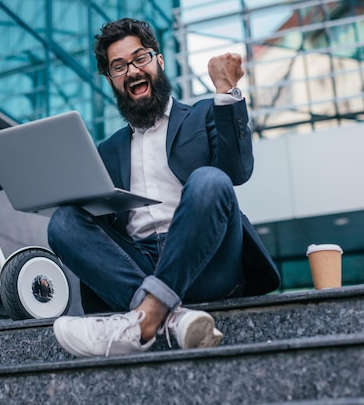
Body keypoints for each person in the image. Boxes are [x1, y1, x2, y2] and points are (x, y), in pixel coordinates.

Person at [47, 18, 280, 358]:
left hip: (208, 261)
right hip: (137, 268)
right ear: (111, 80)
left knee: (209, 180)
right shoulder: (106, 151)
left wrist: (226, 93)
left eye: (140, 58)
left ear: (159, 60)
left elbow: (237, 172)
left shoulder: (203, 114)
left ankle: (143, 320)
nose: (132, 70)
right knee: (63, 222)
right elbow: (100, 232)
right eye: (119, 66)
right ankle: (168, 316)